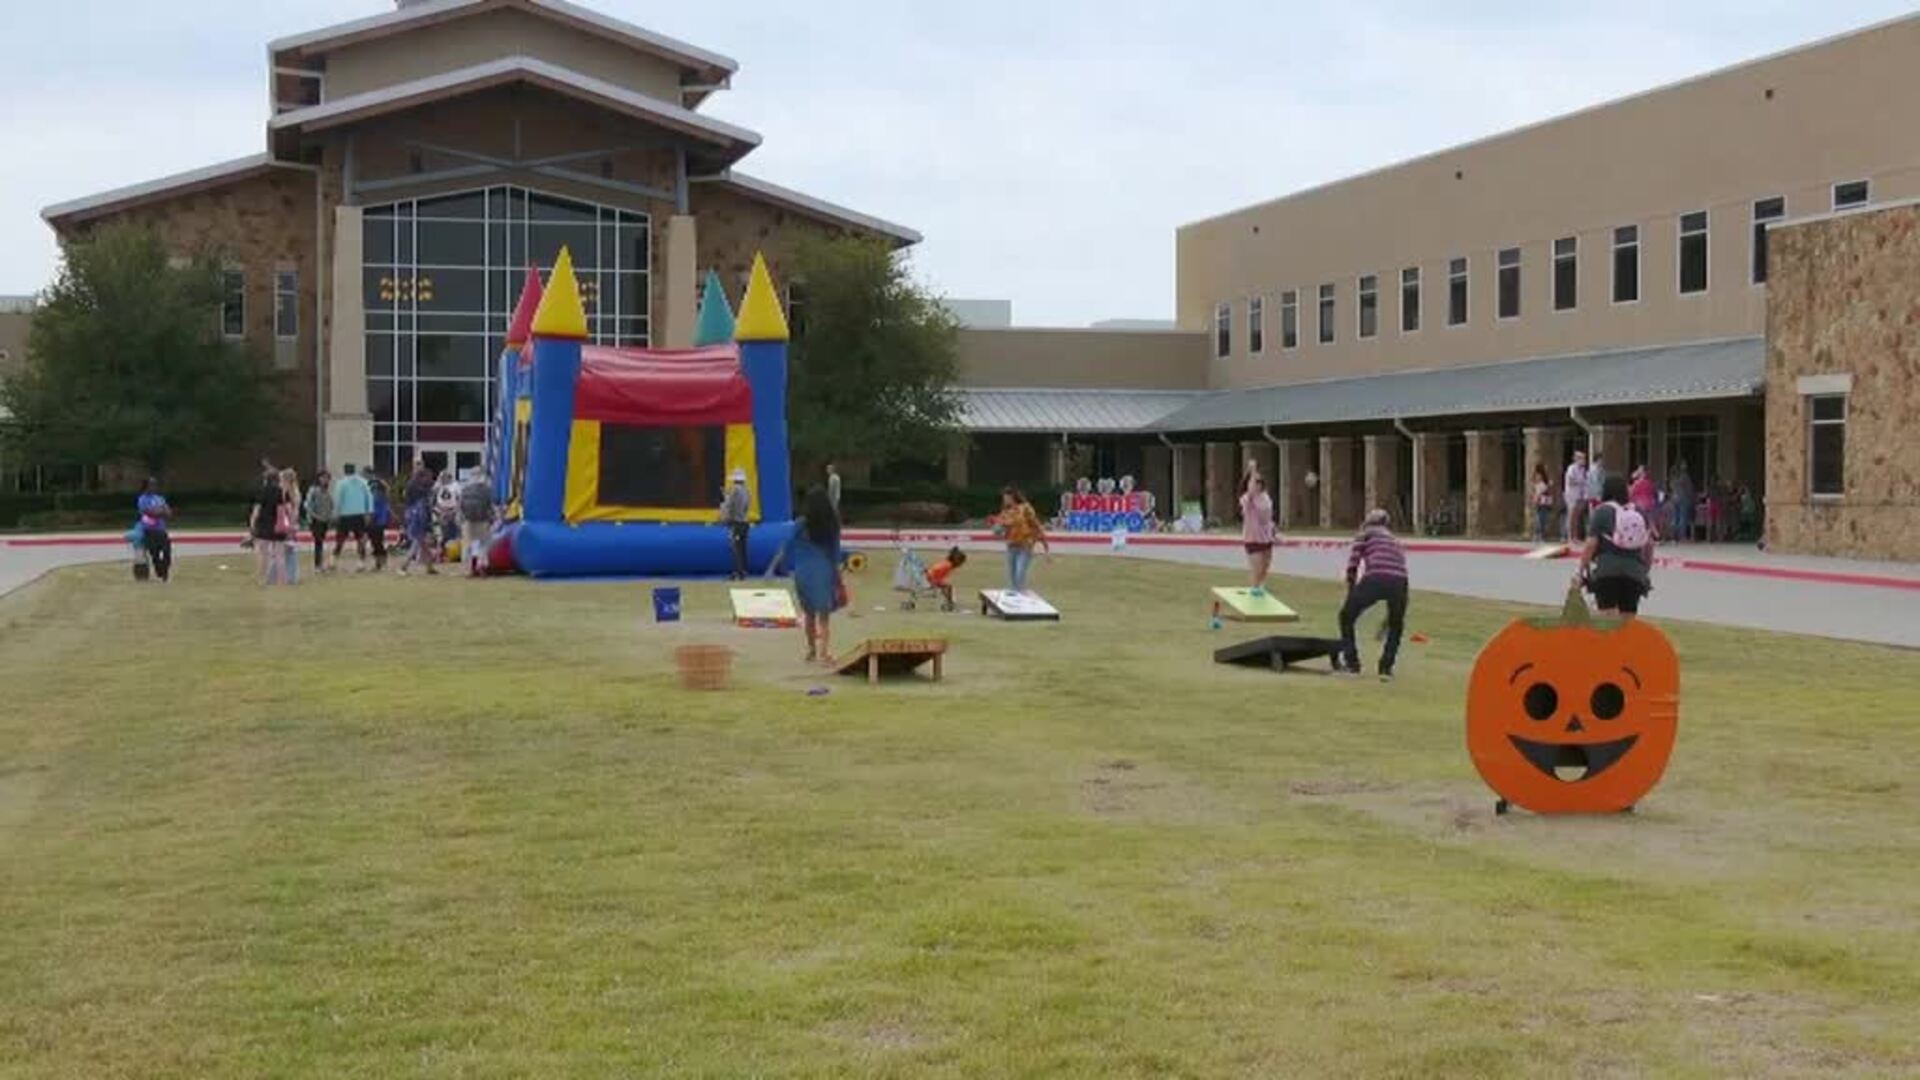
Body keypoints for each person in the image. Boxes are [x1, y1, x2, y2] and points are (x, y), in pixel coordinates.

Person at [1338, 509, 1410, 681]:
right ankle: (1386, 668)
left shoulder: (1365, 534)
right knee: (1396, 625)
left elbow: (1353, 565)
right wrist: (1390, 618)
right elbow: (1400, 568)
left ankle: (1352, 664)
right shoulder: (1394, 540)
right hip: (1400, 582)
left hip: (1376, 577)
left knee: (1346, 617)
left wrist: (1351, 593)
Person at [1579, 473, 1653, 618]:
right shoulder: (1638, 512)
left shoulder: (1601, 512)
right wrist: (1645, 569)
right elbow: (1648, 545)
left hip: (1607, 569)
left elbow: (1590, 545)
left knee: (1607, 618)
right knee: (1627, 621)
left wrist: (1581, 569)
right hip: (1634, 571)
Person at [786, 486, 843, 664]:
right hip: (824, 570)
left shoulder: (800, 524)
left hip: (803, 572)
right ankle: (824, 652)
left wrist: (777, 567)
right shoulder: (832, 526)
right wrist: (837, 575)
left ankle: (811, 651)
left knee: (809, 614)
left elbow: (789, 545)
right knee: (824, 617)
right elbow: (835, 552)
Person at [998, 486, 1050, 594]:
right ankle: (1014, 594)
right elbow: (1001, 527)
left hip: (1025, 545)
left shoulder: (1025, 508)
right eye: (1004, 498)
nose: (1005, 500)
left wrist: (1044, 543)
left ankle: (1019, 594)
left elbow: (1035, 524)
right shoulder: (1005, 511)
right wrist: (999, 529)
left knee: (1020, 572)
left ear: (1013, 497)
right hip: (1011, 545)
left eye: (1007, 497)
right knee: (1012, 574)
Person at [248, 465, 287, 585]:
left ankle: (262, 579)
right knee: (279, 554)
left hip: (264, 524)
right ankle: (281, 580)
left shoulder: (262, 491)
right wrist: (282, 524)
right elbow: (281, 509)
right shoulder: (280, 492)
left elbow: (257, 510)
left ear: (265, 479)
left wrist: (252, 524)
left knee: (263, 553)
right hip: (277, 524)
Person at [332, 463, 373, 571]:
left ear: (344, 471)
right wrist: (369, 512)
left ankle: (333, 560)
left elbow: (338, 499)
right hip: (359, 514)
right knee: (360, 539)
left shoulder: (341, 483)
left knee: (340, 538)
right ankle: (361, 562)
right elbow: (369, 497)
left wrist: (336, 513)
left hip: (345, 514)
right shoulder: (363, 482)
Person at [1240, 474, 1277, 591]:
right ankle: (1255, 588)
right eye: (1253, 482)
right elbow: (1247, 500)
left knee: (1266, 564)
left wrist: (1274, 531)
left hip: (1266, 537)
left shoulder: (1266, 498)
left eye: (1259, 482)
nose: (1256, 485)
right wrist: (1251, 471)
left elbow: (1268, 518)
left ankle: (1260, 585)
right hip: (1252, 537)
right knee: (1257, 566)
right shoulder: (1247, 499)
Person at [400, 463, 438, 575]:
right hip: (418, 517)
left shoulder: (411, 485)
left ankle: (429, 566)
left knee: (423, 544)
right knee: (418, 542)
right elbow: (424, 504)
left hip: (414, 515)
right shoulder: (420, 489)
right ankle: (404, 566)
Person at [458, 468, 496, 577]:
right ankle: (481, 563)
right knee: (484, 543)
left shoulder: (465, 489)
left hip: (468, 520)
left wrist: (461, 518)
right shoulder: (486, 490)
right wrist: (493, 518)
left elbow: (460, 506)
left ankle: (468, 569)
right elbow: (491, 506)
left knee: (467, 545)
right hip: (483, 520)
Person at [136, 477, 173, 583]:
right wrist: (160, 511)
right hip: (150, 530)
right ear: (146, 486)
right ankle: (160, 572)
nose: (153, 487)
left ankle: (165, 571)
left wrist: (161, 511)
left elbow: (168, 512)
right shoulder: (142, 499)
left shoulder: (159, 498)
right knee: (155, 554)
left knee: (167, 551)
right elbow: (149, 512)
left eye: (155, 484)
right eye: (151, 484)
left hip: (161, 529)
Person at [719, 468, 753, 580]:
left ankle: (738, 572)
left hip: (736, 523)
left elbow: (730, 505)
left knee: (736, 548)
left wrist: (725, 518)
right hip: (745, 523)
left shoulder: (735, 490)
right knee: (743, 548)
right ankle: (743, 570)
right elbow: (747, 506)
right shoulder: (747, 490)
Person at [304, 469, 336, 573]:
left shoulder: (327, 492)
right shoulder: (313, 490)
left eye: (327, 478)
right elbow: (308, 505)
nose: (325, 480)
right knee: (318, 542)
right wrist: (313, 517)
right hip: (316, 520)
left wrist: (330, 516)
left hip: (325, 520)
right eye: (323, 478)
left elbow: (331, 505)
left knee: (321, 542)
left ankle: (321, 564)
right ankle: (317, 565)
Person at [279, 468, 303, 584]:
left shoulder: (288, 492)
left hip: (287, 521)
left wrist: (291, 523)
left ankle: (289, 576)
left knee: (287, 549)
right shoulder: (294, 491)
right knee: (289, 549)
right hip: (291, 521)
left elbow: (290, 509)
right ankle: (290, 575)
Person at [926, 546, 967, 610]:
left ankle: (950, 602)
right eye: (961, 563)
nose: (961, 565)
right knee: (948, 587)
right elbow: (934, 571)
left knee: (947, 586)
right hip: (931, 579)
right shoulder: (947, 565)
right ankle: (950, 603)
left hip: (933, 578)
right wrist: (934, 582)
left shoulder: (947, 564)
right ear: (957, 560)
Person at [1563, 450, 1590, 544]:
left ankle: (1575, 536)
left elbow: (1585, 482)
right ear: (1575, 459)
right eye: (1580, 458)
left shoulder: (1583, 470)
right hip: (1572, 495)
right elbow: (1571, 481)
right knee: (1571, 516)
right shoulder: (1572, 468)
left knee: (1577, 517)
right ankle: (1569, 537)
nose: (1583, 460)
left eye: (1583, 458)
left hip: (1580, 495)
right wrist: (1580, 482)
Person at [367, 474, 392, 572]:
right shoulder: (383, 496)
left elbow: (374, 510)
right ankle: (381, 560)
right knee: (378, 542)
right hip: (380, 521)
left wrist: (369, 519)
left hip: (375, 521)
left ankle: (379, 562)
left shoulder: (376, 496)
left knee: (376, 542)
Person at [1668, 459, 1696, 544]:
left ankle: (1673, 537)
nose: (1685, 465)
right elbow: (1689, 488)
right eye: (1684, 464)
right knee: (1682, 518)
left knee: (1675, 518)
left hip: (1674, 497)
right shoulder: (1685, 476)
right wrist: (1692, 498)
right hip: (1683, 498)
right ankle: (1682, 537)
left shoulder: (1673, 477)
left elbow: (1671, 487)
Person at [1530, 463, 1555, 543]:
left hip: (1545, 499)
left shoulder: (1544, 478)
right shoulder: (1538, 477)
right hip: (1541, 499)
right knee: (1540, 518)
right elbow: (1539, 489)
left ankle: (1540, 535)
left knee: (1544, 518)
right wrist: (1536, 498)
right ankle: (1538, 535)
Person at [1629, 466, 1657, 532]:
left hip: (1640, 505)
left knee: (1641, 522)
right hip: (1649, 505)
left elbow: (1631, 494)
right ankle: (1656, 536)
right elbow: (1653, 493)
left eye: (1639, 470)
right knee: (1650, 522)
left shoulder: (1637, 483)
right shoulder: (1649, 482)